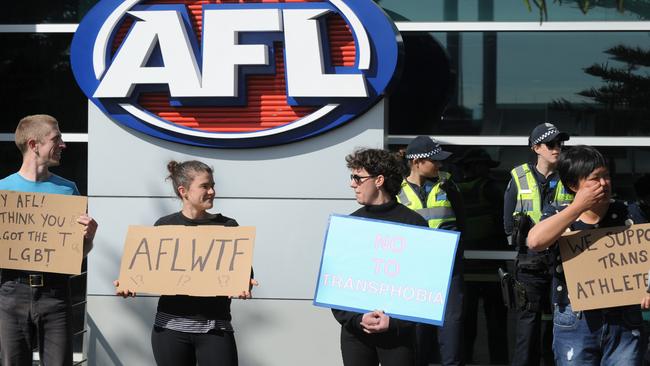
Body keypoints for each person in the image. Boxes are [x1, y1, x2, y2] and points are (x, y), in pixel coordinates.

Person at [116, 160, 256, 366]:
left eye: (213, 185)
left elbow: (244, 272)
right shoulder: (164, 226)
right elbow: (148, 270)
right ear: (184, 191)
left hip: (215, 329)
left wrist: (244, 284)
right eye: (205, 186)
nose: (212, 191)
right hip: (169, 330)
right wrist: (128, 284)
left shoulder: (227, 227)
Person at [527, 145, 647, 365]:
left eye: (606, 176)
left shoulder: (629, 213)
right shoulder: (558, 214)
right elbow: (535, 241)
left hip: (624, 321)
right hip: (575, 319)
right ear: (573, 185)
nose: (603, 184)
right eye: (595, 179)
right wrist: (577, 207)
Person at [0, 114, 98, 366]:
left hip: (55, 293)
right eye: (56, 139)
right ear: (34, 145)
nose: (63, 144)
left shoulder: (68, 190)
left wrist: (89, 238)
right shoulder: (3, 190)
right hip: (13, 291)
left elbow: (77, 254)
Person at [332, 148, 428, 366]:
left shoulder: (413, 224)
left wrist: (396, 323)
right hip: (356, 333)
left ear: (379, 180)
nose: (352, 184)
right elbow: (336, 284)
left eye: (358, 177)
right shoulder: (349, 225)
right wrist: (356, 319)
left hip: (397, 335)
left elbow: (424, 286)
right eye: (352, 177)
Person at [503, 122, 573, 366]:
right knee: (527, 330)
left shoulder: (569, 174)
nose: (557, 148)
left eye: (560, 144)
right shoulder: (518, 176)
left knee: (562, 327)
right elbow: (508, 225)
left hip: (562, 262)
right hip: (529, 264)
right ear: (536, 148)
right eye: (551, 144)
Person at [397, 136, 466, 366]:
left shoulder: (448, 184)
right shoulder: (397, 190)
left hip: (448, 269)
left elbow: (463, 224)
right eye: (434, 161)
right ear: (416, 162)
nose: (439, 165)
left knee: (451, 334)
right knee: (417, 334)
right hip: (413, 272)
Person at [455, 148, 508, 364]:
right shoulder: (492, 189)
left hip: (467, 268)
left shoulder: (453, 190)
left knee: (466, 324)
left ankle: (466, 360)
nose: (487, 170)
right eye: (484, 166)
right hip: (492, 266)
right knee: (496, 324)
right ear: (476, 167)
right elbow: (505, 224)